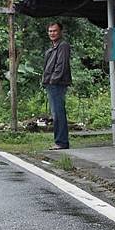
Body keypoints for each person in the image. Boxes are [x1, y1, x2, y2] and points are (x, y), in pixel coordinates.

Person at [43, 22, 71, 150]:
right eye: (50, 31)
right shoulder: (52, 48)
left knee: (58, 113)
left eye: (54, 31)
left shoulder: (63, 46)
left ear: (60, 32)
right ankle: (59, 141)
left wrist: (53, 80)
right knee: (55, 113)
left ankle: (61, 142)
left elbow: (61, 65)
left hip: (57, 84)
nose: (52, 33)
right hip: (51, 83)